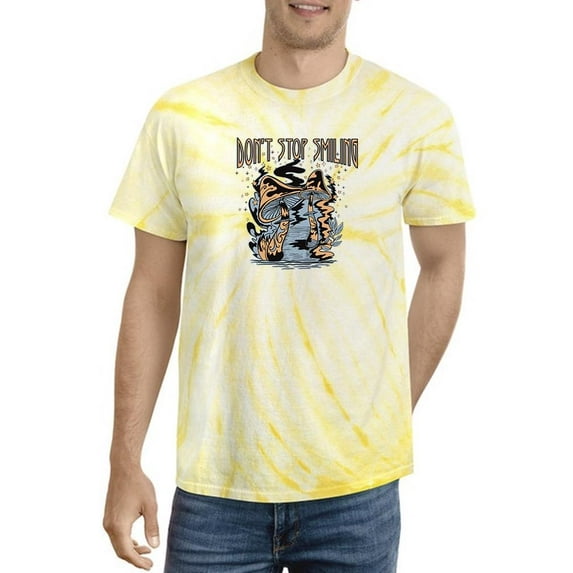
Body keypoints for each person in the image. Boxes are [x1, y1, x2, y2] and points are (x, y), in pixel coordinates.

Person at [103, 1, 475, 571]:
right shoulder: (183, 116)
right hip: (216, 488)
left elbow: (444, 264)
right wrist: (123, 460)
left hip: (357, 492)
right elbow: (152, 291)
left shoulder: (416, 117)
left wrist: (390, 409)